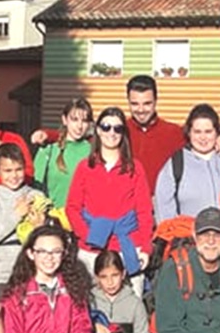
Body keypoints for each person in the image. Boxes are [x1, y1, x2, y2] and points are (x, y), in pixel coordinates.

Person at [66, 107, 153, 295]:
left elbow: (144, 212)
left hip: (127, 247)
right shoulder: (85, 167)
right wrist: (88, 234)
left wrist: (146, 248)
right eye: (106, 127)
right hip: (92, 249)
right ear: (97, 130)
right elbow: (72, 208)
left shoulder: (135, 168)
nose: (111, 133)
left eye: (117, 128)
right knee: (88, 308)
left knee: (130, 308)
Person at [154, 103, 220, 221]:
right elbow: (164, 208)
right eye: (197, 132)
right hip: (190, 236)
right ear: (189, 132)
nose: (203, 137)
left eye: (208, 131)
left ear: (217, 132)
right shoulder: (176, 164)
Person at [0, 143, 46, 290]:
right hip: (1, 273)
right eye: (7, 171)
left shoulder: (35, 195)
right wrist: (16, 215)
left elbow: (48, 237)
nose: (14, 176)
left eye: (18, 170)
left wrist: (40, 227)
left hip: (32, 270)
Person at [124, 75, 184, 192]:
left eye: (147, 104)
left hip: (161, 206)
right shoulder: (117, 131)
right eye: (135, 104)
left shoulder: (174, 133)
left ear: (156, 101)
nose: (141, 110)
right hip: (125, 205)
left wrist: (219, 137)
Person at [32, 98, 94, 209]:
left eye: (84, 121)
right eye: (74, 119)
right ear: (65, 120)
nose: (79, 126)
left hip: (83, 218)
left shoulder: (94, 151)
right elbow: (36, 187)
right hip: (53, 218)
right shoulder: (48, 150)